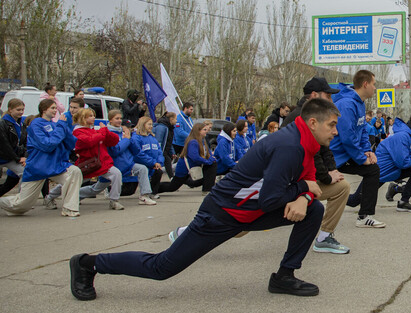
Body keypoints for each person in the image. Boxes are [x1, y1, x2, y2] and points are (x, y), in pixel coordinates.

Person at [69, 98, 339, 301]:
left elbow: (309, 181)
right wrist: (304, 188)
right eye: (332, 125)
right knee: (161, 268)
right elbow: (275, 198)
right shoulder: (289, 146)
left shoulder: (306, 143)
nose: (335, 132)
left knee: (313, 208)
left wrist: (303, 195)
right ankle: (87, 263)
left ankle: (284, 277)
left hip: (250, 211)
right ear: (313, 123)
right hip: (222, 214)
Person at [282, 76, 349, 255]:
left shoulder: (315, 116)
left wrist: (333, 170)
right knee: (240, 224)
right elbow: (314, 155)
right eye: (327, 96)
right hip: (288, 185)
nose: (331, 100)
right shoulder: (301, 117)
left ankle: (323, 238)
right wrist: (327, 177)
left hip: (301, 182)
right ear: (314, 95)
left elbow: (325, 149)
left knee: (341, 186)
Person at [0, 99, 82, 217]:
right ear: (44, 110)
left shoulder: (57, 124)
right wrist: (60, 127)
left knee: (74, 172)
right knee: (22, 205)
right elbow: (47, 145)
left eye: (56, 108)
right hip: (38, 167)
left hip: (55, 165)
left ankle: (70, 208)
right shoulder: (36, 124)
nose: (55, 110)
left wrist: (65, 127)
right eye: (52, 108)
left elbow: (70, 144)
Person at [329, 70, 385, 228]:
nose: (375, 88)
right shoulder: (346, 104)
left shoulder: (359, 102)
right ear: (365, 84)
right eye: (374, 85)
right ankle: (364, 216)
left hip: (348, 153)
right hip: (337, 156)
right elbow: (347, 138)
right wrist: (362, 159)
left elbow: (362, 132)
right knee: (372, 170)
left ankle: (364, 216)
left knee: (373, 170)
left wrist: (368, 151)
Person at [46, 108, 123, 210]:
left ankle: (114, 200)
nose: (93, 117)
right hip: (87, 163)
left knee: (116, 174)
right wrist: (102, 132)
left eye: (93, 115)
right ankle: (50, 196)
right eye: (90, 116)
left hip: (102, 162)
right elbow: (89, 141)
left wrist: (105, 132)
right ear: (83, 118)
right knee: (72, 182)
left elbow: (113, 141)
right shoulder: (77, 132)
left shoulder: (95, 130)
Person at [376, 112, 411, 212]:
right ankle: (337, 197)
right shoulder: (402, 136)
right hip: (381, 173)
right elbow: (403, 162)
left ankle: (403, 202)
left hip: (394, 170)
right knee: (355, 200)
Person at [106, 112, 157, 205]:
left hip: (128, 164)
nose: (119, 121)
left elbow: (136, 151)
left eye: (120, 118)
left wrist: (130, 139)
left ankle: (144, 196)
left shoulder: (124, 133)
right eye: (117, 118)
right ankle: (78, 195)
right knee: (95, 189)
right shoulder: (108, 133)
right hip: (115, 165)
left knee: (142, 169)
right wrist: (126, 140)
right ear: (110, 120)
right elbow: (115, 151)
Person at [156, 121, 213, 195]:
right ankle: (154, 188)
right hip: (184, 168)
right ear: (198, 131)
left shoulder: (202, 141)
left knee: (191, 183)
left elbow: (208, 153)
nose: (207, 131)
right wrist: (207, 162)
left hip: (190, 169)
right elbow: (194, 157)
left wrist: (211, 159)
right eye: (204, 130)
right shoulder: (193, 142)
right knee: (172, 186)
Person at [129, 117, 165, 201]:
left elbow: (159, 152)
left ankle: (152, 192)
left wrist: (159, 162)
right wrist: (152, 163)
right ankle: (109, 189)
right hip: (142, 164)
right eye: (149, 124)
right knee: (129, 190)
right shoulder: (136, 138)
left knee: (159, 172)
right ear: (143, 124)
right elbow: (138, 154)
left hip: (153, 165)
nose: (151, 126)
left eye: (152, 124)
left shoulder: (152, 138)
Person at [0, 99, 27, 197]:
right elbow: (4, 145)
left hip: (11, 157)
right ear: (10, 110)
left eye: (22, 110)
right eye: (18, 110)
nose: (21, 112)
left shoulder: (21, 124)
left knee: (25, 172)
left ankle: (22, 199)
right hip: (4, 155)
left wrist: (24, 156)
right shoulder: (3, 124)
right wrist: (17, 158)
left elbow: (24, 142)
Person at [153, 112, 177, 178]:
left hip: (165, 151)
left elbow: (169, 141)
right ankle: (171, 177)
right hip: (162, 151)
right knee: (167, 161)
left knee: (168, 161)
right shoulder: (162, 127)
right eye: (175, 119)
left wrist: (172, 152)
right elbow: (159, 141)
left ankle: (171, 177)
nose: (176, 121)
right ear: (171, 119)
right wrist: (159, 153)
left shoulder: (170, 128)